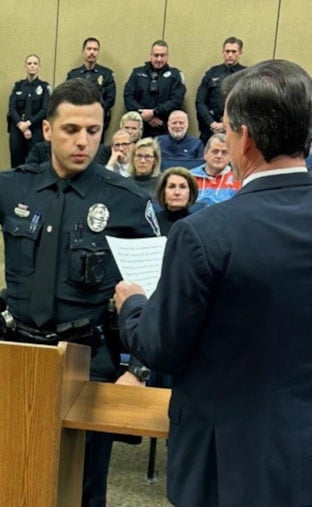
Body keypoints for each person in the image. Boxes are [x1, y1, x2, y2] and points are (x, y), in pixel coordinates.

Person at [0, 79, 159, 507]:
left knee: (84, 488)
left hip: (89, 359)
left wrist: (137, 370)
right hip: (17, 353)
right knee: (11, 472)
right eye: (71, 129)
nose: (83, 141)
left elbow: (160, 292)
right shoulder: (13, 186)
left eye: (92, 130)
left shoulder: (127, 200)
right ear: (48, 130)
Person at [114, 59, 312, 507]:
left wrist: (133, 305)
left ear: (244, 138)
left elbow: (162, 346)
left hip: (226, 462)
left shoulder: (204, 234)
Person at [123, 40, 186, 138]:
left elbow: (177, 100)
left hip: (164, 128)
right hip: (140, 127)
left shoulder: (175, 75)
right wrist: (144, 115)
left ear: (167, 56)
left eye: (162, 55)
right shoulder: (137, 73)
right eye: (156, 55)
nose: (159, 59)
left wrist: (154, 112)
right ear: (150, 55)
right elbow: (128, 97)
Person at [195, 37, 246, 144]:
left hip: (234, 130)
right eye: (227, 51)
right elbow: (200, 102)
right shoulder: (212, 72)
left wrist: (227, 125)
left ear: (240, 53)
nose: (230, 55)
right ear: (222, 52)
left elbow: (247, 106)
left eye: (234, 52)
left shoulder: (246, 75)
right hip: (210, 128)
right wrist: (212, 123)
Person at [66, 37, 116, 139]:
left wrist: (94, 110)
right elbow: (67, 97)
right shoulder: (73, 75)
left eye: (95, 49)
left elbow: (110, 99)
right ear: (83, 51)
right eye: (89, 49)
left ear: (98, 52)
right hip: (77, 119)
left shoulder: (106, 74)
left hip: (97, 120)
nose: (92, 52)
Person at [7, 54, 51, 167]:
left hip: (36, 128)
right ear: (25, 66)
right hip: (17, 128)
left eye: (35, 64)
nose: (32, 66)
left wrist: (28, 123)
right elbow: (12, 109)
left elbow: (45, 110)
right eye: (29, 63)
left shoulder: (44, 87)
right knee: (16, 163)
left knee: (35, 163)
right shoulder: (18, 86)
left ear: (39, 67)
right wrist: (21, 125)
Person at [190, 133, 240, 205]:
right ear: (205, 154)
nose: (219, 156)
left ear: (230, 157)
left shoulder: (238, 180)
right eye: (215, 151)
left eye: (224, 152)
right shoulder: (189, 178)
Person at [154, 167, 201, 234]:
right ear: (163, 192)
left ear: (190, 193)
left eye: (182, 187)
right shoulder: (151, 224)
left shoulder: (199, 224)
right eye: (171, 187)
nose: (177, 192)